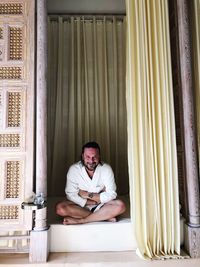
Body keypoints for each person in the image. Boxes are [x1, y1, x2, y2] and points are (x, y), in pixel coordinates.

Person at [56, 141, 126, 225]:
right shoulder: (74, 169)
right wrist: (91, 201)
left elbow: (112, 194)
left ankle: (82, 220)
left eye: (94, 157)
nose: (91, 160)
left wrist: (87, 194)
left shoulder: (106, 169)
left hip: (102, 205)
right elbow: (71, 194)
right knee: (60, 208)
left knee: (120, 206)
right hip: (80, 206)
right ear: (82, 156)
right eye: (88, 157)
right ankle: (103, 216)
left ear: (99, 156)